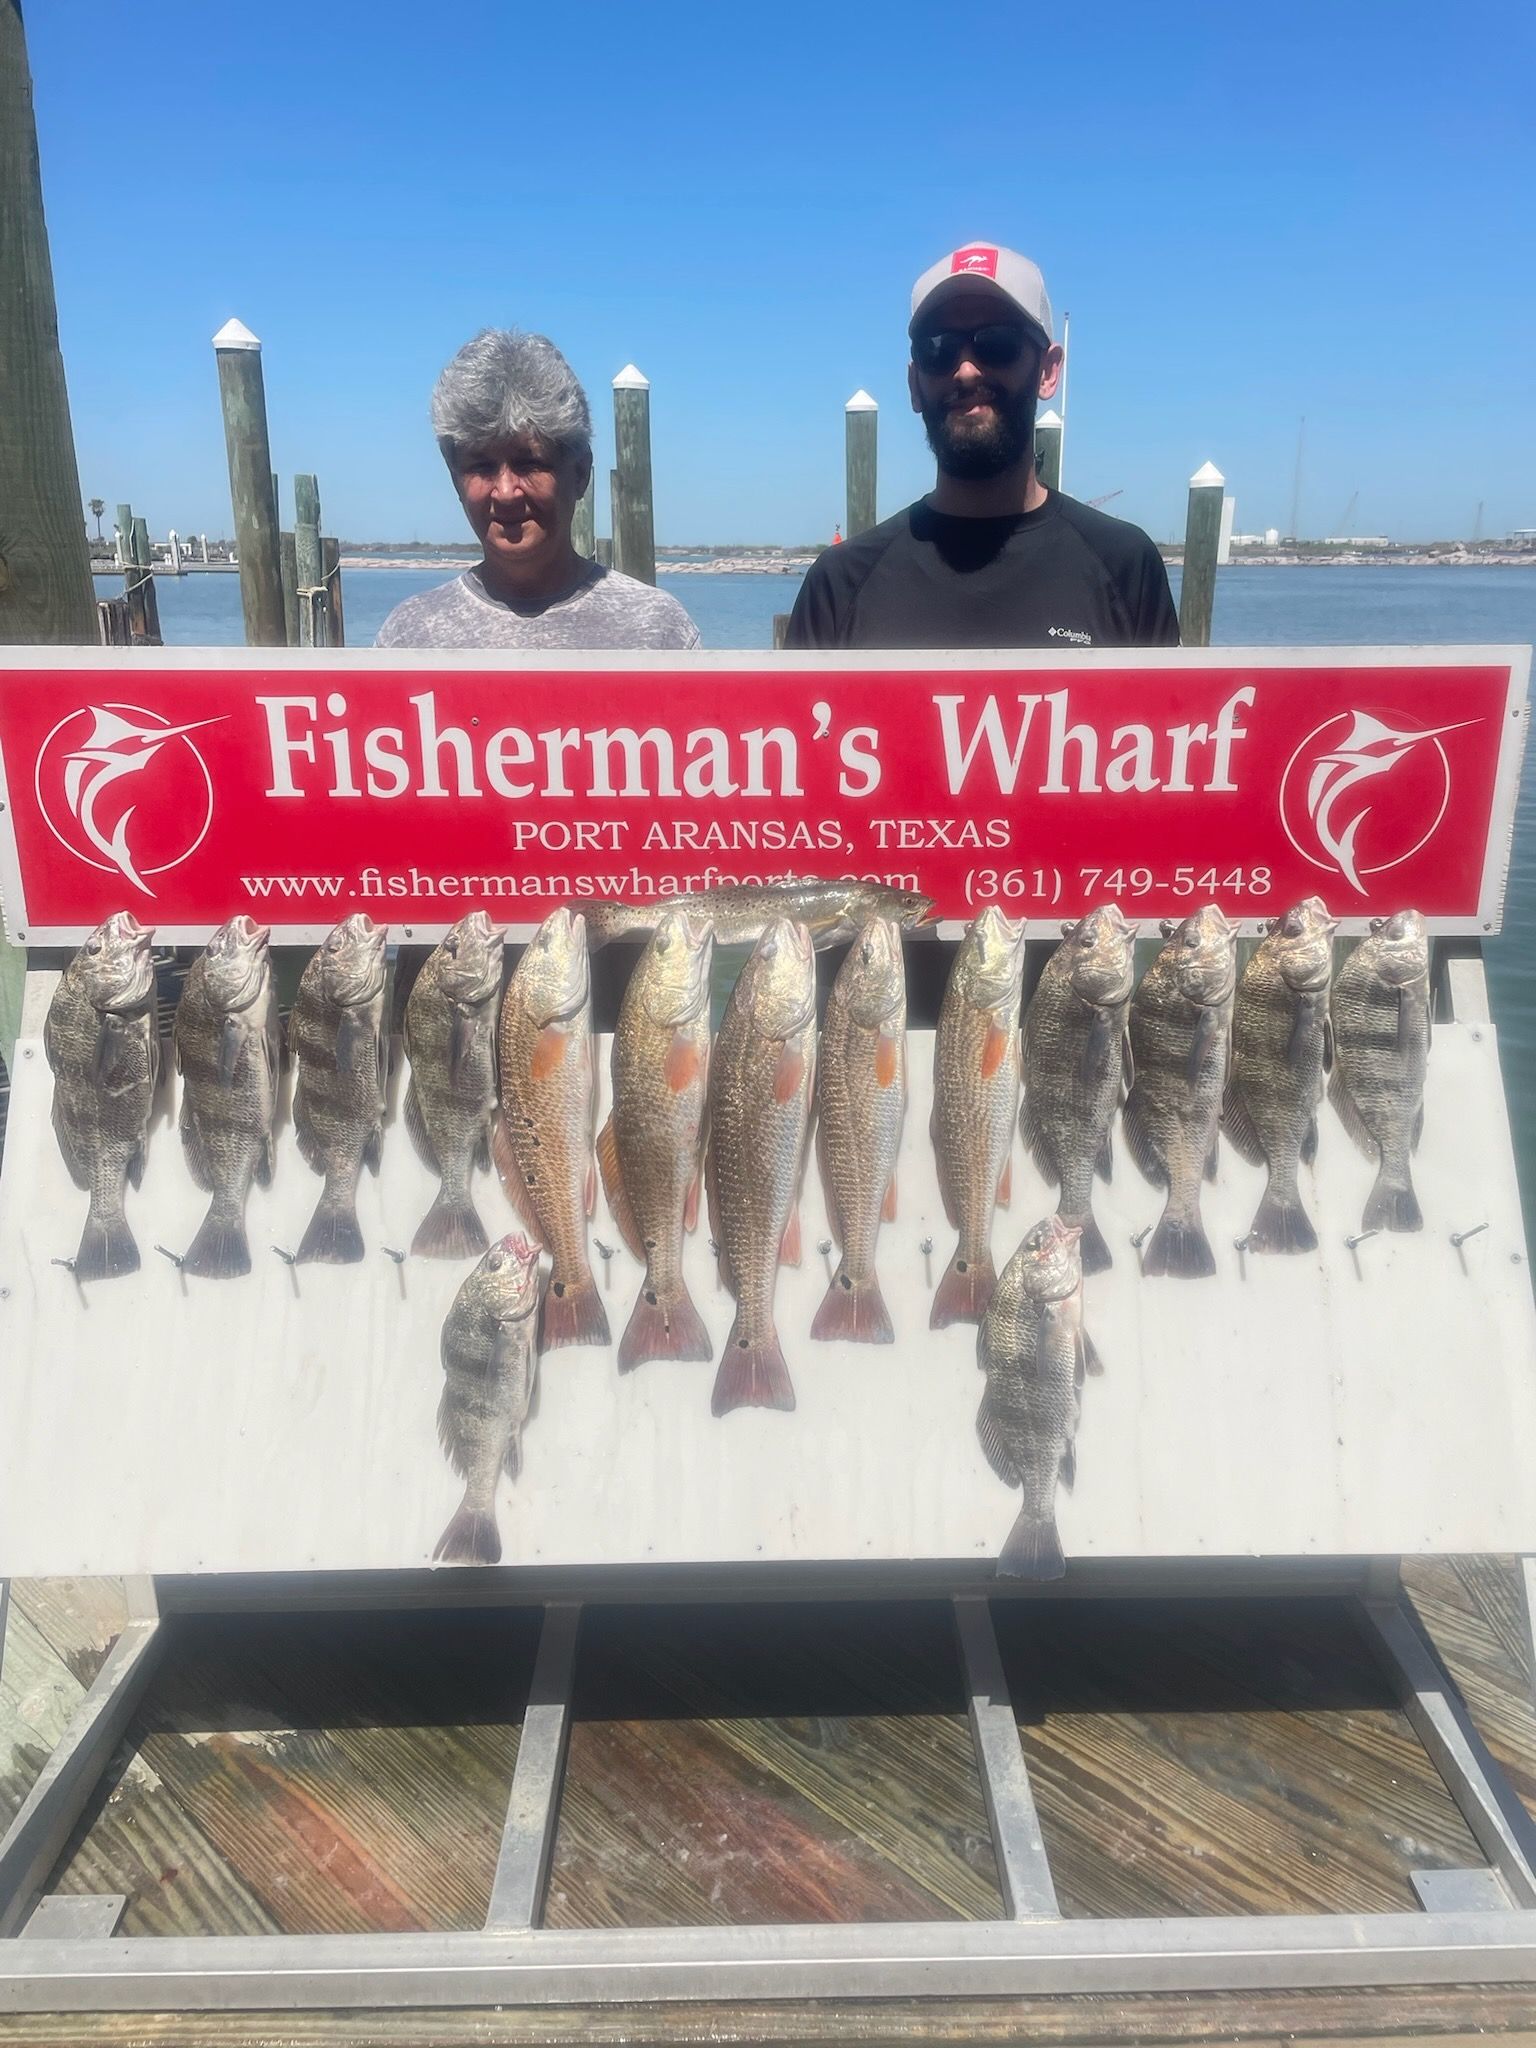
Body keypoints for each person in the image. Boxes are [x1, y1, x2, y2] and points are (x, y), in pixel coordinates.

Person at [786, 244, 1178, 650]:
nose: (967, 370)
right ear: (914, 384)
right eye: (938, 347)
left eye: (998, 342)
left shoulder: (1126, 566)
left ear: (1047, 371)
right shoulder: (838, 585)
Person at [377, 329, 699, 651]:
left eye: (529, 464)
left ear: (580, 472)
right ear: (455, 480)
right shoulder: (410, 636)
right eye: (482, 466)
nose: (505, 492)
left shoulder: (658, 629)